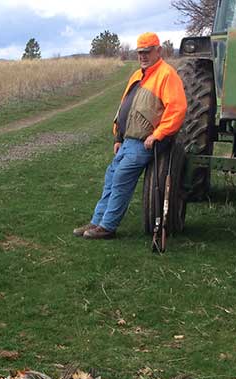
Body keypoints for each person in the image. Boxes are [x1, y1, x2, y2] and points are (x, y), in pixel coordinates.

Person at [73, 32, 187, 240]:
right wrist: (119, 137)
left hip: (144, 142)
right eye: (140, 52)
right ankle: (97, 221)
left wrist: (158, 135)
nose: (143, 56)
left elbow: (177, 109)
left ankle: (108, 226)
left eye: (147, 52)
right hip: (128, 141)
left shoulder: (167, 75)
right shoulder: (138, 75)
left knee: (121, 178)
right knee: (110, 177)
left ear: (158, 51)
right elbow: (125, 105)